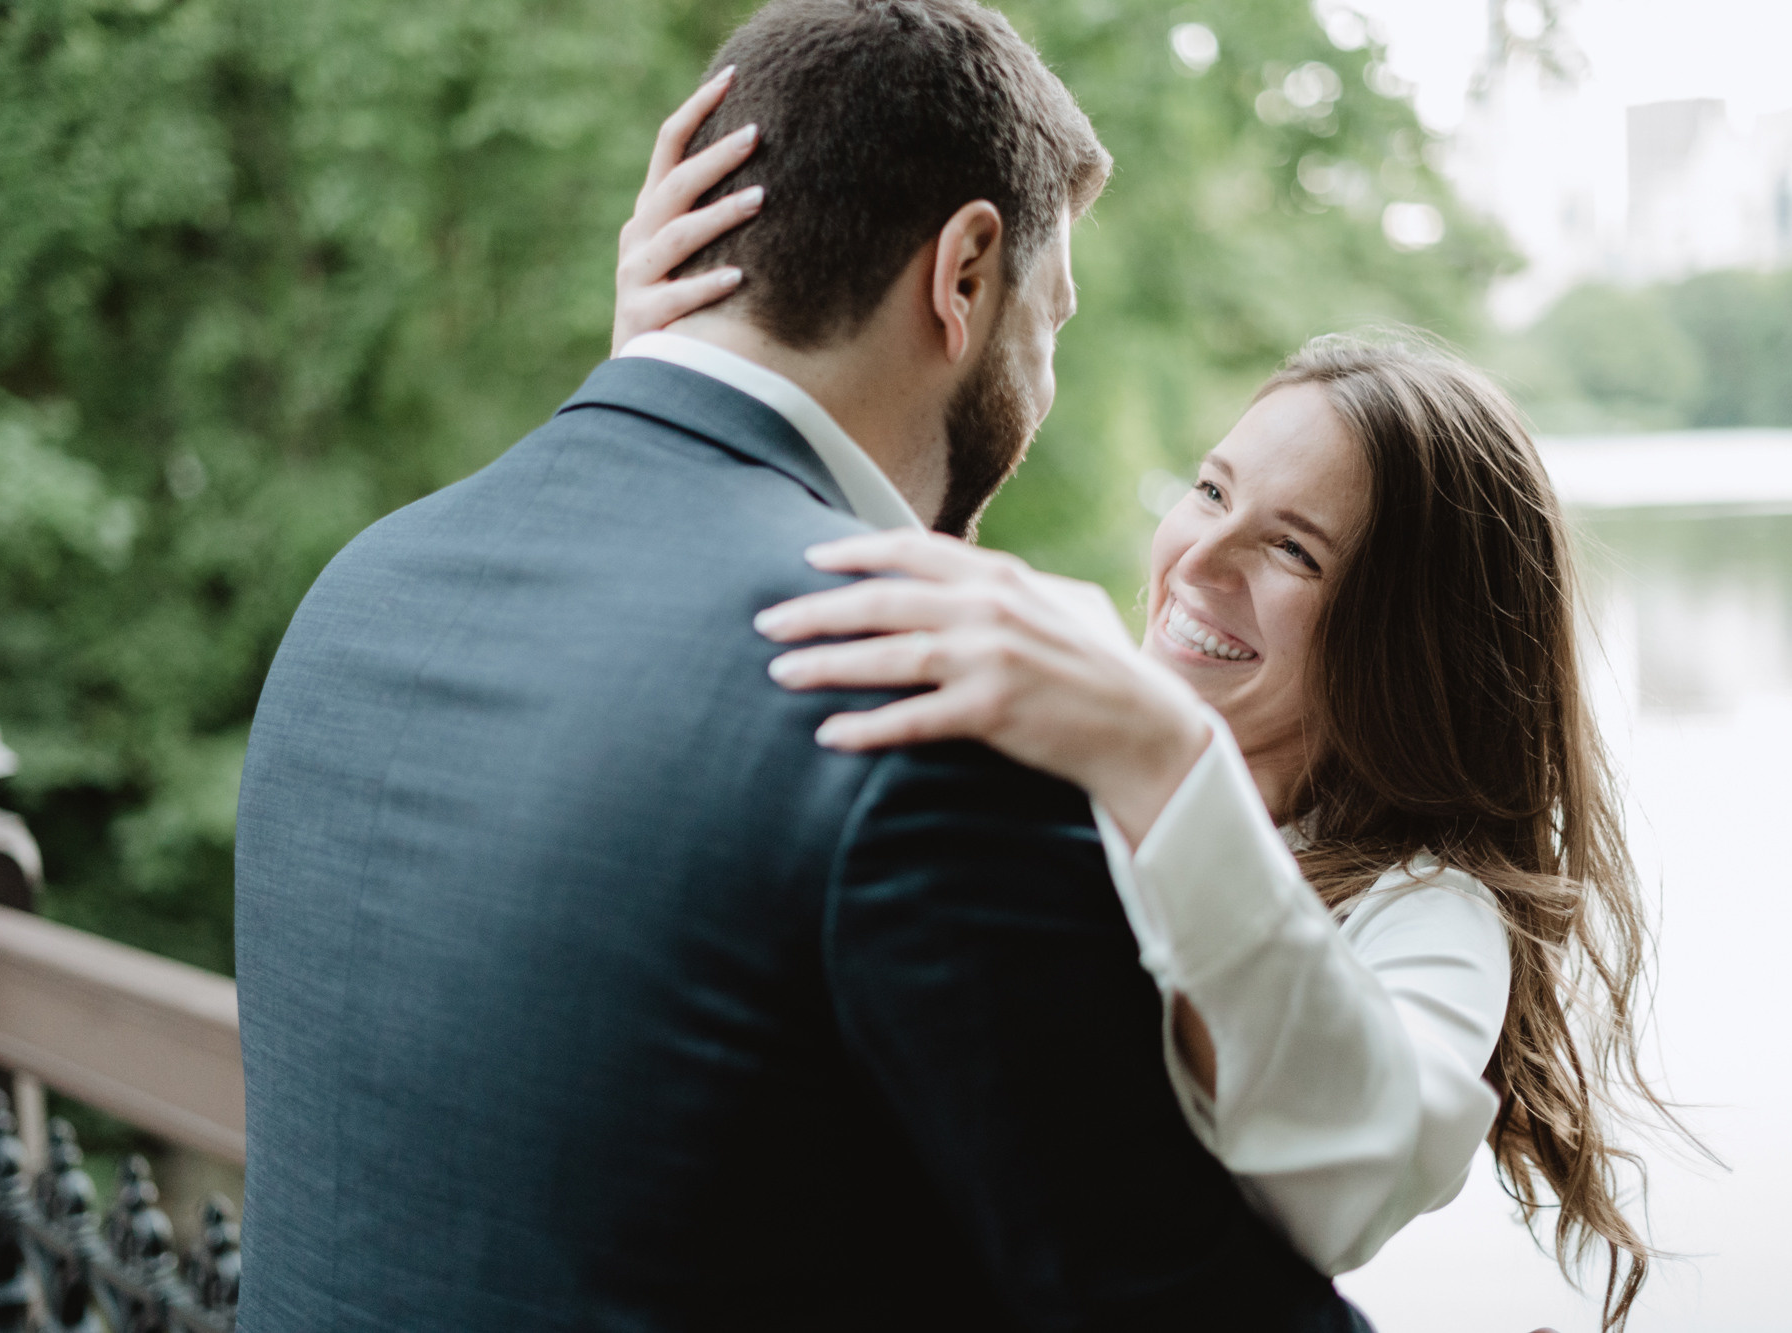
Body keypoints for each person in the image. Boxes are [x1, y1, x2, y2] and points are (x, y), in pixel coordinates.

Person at [233, 2, 1369, 1329]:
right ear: (964, 274)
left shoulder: (362, 590)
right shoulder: (905, 695)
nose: (1045, 379)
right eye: (1048, 319)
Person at [611, 71, 1685, 1333]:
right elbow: (829, 568)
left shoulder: (1429, 912)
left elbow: (1355, 1172)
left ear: (1411, 646)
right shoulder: (1044, 695)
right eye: (1211, 489)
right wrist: (684, 373)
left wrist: (1163, 758)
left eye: (1293, 552)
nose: (1200, 561)